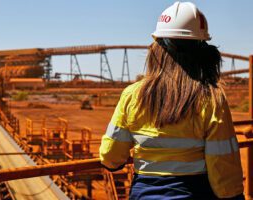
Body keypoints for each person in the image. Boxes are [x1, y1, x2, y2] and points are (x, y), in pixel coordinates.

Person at [99, 2, 244, 199]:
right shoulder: (211, 98)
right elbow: (222, 163)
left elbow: (111, 157)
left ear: (156, 47)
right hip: (194, 193)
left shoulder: (132, 95)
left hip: (145, 193)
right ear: (200, 49)